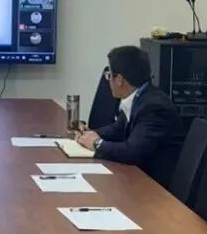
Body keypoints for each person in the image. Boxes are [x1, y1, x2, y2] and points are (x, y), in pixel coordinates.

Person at [76, 46, 184, 188]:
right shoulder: (140, 96)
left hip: (153, 186)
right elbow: (118, 129)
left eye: (109, 75)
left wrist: (97, 144)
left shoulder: (154, 107)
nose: (108, 81)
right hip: (138, 175)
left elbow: (132, 152)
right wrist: (90, 134)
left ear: (120, 80)